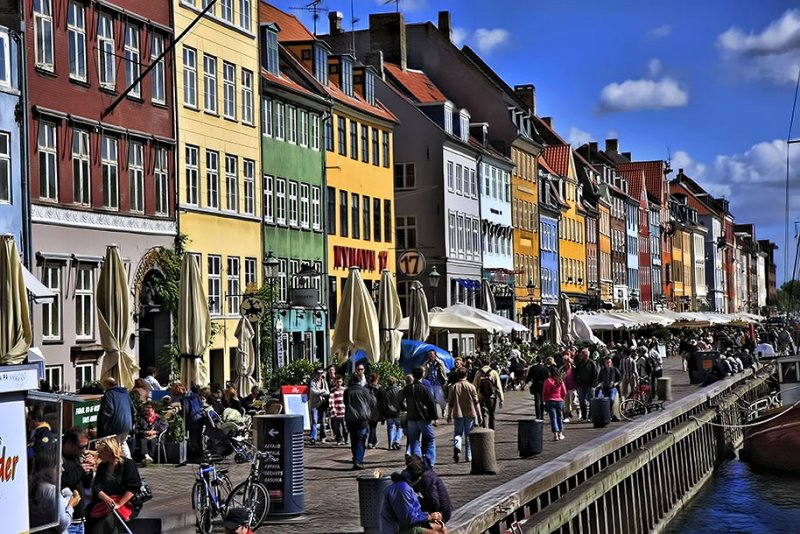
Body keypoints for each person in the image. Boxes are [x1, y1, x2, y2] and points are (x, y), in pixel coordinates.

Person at [86, 437, 141, 534]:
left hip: (124, 501)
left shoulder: (128, 464)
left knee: (109, 521)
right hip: (105, 501)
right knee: (94, 525)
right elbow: (96, 486)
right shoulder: (103, 466)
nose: (99, 456)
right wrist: (106, 498)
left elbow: (133, 486)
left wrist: (119, 504)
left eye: (101, 453)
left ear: (109, 451)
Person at [379, 456, 447, 533]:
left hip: (408, 525)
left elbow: (414, 511)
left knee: (442, 528)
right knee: (434, 533)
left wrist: (430, 516)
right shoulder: (402, 489)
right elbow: (408, 518)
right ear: (418, 478)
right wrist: (429, 517)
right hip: (398, 529)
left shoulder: (406, 486)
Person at [29, 448, 82, 532]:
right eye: (59, 466)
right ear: (49, 468)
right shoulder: (51, 491)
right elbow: (62, 525)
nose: (62, 470)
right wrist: (71, 505)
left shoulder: (36, 485)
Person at [62, 427, 96, 534]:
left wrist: (89, 470)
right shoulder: (58, 458)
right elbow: (63, 481)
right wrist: (81, 470)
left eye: (86, 446)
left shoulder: (76, 456)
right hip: (67, 520)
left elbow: (85, 484)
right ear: (68, 443)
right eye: (81, 447)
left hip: (79, 519)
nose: (84, 450)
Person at [401, 367, 438, 466]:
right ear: (422, 375)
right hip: (424, 418)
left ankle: (417, 461)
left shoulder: (408, 388)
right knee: (430, 440)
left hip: (412, 418)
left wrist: (404, 408)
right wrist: (435, 417)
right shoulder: (424, 388)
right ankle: (429, 462)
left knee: (414, 441)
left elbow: (398, 399)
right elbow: (431, 403)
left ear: (413, 376)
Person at [446, 367, 481, 463]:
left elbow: (450, 403)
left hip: (458, 413)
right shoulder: (471, 387)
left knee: (458, 434)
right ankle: (468, 457)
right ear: (466, 375)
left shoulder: (453, 387)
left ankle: (457, 446)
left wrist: (448, 414)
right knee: (468, 435)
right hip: (470, 413)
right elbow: (476, 402)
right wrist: (479, 414)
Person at [344, 375, 377, 470]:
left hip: (350, 418)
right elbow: (373, 402)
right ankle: (358, 460)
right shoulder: (365, 391)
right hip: (363, 419)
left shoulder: (347, 391)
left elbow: (345, 403)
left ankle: (356, 458)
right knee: (361, 440)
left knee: (354, 440)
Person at [97, 378, 135, 459]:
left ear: (107, 384)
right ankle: (129, 462)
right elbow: (133, 409)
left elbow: (108, 411)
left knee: (113, 445)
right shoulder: (125, 393)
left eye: (104, 385)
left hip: (115, 425)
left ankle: (116, 465)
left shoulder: (109, 394)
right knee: (122, 443)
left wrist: (103, 426)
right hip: (127, 424)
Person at [417, 456, 452, 523]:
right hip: (443, 511)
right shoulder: (430, 473)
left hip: (442, 514)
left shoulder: (426, 477)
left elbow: (434, 501)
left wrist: (431, 516)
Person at [472, 360, 504, 430]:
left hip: (481, 396)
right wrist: (501, 399)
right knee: (492, 415)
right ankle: (492, 430)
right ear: (489, 363)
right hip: (491, 397)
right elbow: (498, 387)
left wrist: (474, 397)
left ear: (482, 364)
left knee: (484, 415)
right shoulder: (494, 373)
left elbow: (474, 386)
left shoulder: (478, 373)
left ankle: (485, 430)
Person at [543, 366, 567, 441]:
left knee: (553, 418)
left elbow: (545, 391)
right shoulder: (560, 380)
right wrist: (561, 398)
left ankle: (555, 434)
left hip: (550, 400)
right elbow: (564, 392)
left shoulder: (548, 381)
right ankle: (560, 433)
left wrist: (544, 399)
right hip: (559, 400)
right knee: (559, 417)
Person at [423, 350, 448, 421]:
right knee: (430, 399)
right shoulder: (426, 363)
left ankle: (443, 408)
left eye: (431, 354)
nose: (430, 355)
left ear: (435, 355)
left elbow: (444, 371)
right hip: (430, 383)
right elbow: (424, 372)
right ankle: (432, 413)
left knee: (440, 398)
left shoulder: (439, 362)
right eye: (429, 354)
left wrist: (445, 380)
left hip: (438, 383)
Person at [574, 349, 598, 421]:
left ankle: (591, 416)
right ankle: (584, 416)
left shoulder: (592, 363)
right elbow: (576, 373)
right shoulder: (579, 363)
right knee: (582, 400)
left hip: (590, 385)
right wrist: (578, 382)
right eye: (584, 355)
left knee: (591, 400)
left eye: (586, 355)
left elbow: (595, 374)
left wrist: (593, 385)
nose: (585, 356)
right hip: (581, 385)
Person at [308, 369, 330, 445]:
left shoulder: (324, 382)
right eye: (318, 373)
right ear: (315, 374)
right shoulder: (312, 382)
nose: (320, 375)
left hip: (322, 404)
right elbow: (313, 391)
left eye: (321, 373)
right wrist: (322, 391)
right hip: (314, 404)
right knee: (314, 421)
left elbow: (328, 392)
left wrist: (321, 392)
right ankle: (313, 437)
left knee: (323, 422)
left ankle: (323, 437)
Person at [382, 376, 404, 450]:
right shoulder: (399, 390)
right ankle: (396, 441)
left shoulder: (385, 392)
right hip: (397, 412)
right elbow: (402, 401)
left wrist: (383, 413)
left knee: (390, 428)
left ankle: (390, 445)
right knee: (400, 427)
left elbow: (384, 404)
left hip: (388, 412)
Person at [366, 373, 384, 449]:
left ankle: (373, 441)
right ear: (377, 379)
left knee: (371, 426)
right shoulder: (379, 389)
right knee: (373, 426)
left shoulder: (367, 387)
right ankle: (371, 442)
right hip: (376, 410)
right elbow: (383, 401)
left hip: (368, 409)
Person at [329, 376, 348, 445]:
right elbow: (331, 400)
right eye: (337, 382)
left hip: (343, 410)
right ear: (335, 382)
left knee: (345, 426)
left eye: (340, 381)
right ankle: (339, 440)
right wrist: (333, 409)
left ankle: (346, 439)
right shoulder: (333, 390)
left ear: (342, 382)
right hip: (336, 411)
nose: (339, 383)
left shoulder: (345, 390)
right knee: (337, 427)